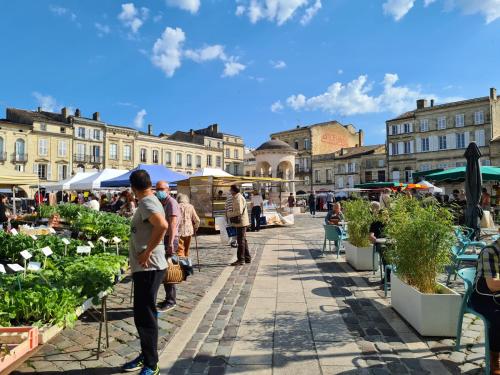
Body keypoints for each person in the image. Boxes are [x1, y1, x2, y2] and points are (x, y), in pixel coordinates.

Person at [122, 170, 168, 375]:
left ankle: (152, 364)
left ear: (133, 187)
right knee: (143, 314)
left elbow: (162, 225)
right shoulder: (149, 200)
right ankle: (146, 354)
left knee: (145, 315)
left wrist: (147, 251)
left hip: (149, 267)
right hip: (147, 267)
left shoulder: (147, 202)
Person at [470, 240, 500, 374]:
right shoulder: (490, 251)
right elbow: (493, 285)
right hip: (482, 297)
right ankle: (495, 357)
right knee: (498, 316)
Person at [155, 181, 180, 313]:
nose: (158, 191)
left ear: (168, 190)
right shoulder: (162, 202)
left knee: (169, 270)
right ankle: (168, 298)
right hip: (164, 239)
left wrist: (170, 243)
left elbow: (173, 224)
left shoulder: (171, 203)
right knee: (165, 270)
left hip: (170, 239)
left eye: (161, 189)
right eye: (157, 189)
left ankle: (171, 300)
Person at [226, 184, 251, 266]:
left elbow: (238, 211)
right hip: (241, 222)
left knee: (241, 241)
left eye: (230, 189)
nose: (230, 191)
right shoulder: (237, 197)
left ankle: (241, 260)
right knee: (243, 240)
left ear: (233, 190)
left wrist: (229, 214)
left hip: (241, 222)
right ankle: (247, 258)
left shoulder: (238, 198)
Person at [368, 201, 389, 283]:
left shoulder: (390, 222)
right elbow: (371, 234)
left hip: (390, 242)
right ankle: (388, 275)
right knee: (384, 252)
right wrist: (372, 237)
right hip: (380, 243)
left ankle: (394, 276)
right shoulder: (374, 222)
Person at [176, 193, 200, 257]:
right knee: (186, 250)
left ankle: (182, 264)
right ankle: (186, 261)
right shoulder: (190, 206)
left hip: (179, 231)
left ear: (178, 199)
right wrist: (196, 227)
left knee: (180, 250)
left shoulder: (176, 206)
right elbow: (197, 220)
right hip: (189, 231)